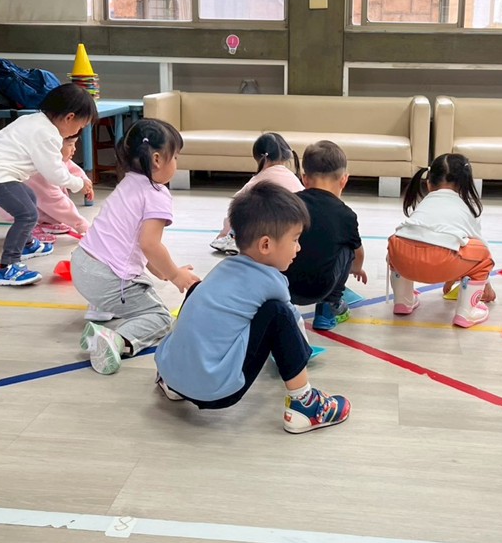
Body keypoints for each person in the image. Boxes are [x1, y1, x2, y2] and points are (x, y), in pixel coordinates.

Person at [154, 182, 351, 434]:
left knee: (197, 291)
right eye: (295, 239)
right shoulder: (272, 282)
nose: (298, 248)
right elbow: (292, 326)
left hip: (172, 375)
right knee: (278, 313)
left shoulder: (222, 268)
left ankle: (174, 381)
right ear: (266, 245)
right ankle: (305, 403)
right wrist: (300, 354)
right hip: (216, 392)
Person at [72, 119, 200, 374]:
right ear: (157, 159)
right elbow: (149, 244)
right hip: (106, 279)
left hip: (82, 265)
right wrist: (175, 275)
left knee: (139, 286)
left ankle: (98, 321)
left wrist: (164, 271)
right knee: (160, 317)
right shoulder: (156, 193)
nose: (176, 163)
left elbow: (137, 242)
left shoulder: (128, 181)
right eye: (175, 157)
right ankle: (114, 340)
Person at [0, 83, 96, 286]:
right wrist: (78, 184)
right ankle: (7, 267)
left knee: (30, 197)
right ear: (69, 117)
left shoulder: (32, 120)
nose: (79, 131)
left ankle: (27, 243)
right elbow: (54, 174)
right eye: (80, 126)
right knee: (27, 214)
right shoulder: (48, 135)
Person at [387, 153, 494, 328]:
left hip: (402, 259)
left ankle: (403, 301)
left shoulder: (425, 203)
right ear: (465, 184)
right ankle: (466, 312)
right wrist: (486, 283)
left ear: (428, 183)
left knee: (399, 242)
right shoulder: (467, 207)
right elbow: (480, 250)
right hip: (441, 262)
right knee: (482, 252)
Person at [282, 141, 366, 330]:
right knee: (348, 248)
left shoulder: (289, 204)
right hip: (320, 289)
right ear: (344, 180)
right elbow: (358, 253)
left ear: (304, 179)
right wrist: (357, 268)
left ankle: (281, 306)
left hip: (283, 287)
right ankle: (329, 308)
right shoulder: (346, 215)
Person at [210, 132, 303, 255]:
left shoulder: (258, 180)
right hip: (293, 229)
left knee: (239, 214)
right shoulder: (294, 179)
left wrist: (225, 231)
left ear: (258, 158)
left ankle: (232, 238)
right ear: (286, 156)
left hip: (266, 229)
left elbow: (235, 206)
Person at [0, 133, 91, 242]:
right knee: (40, 206)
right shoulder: (39, 170)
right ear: (54, 147)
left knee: (41, 202)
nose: (74, 149)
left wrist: (85, 181)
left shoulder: (51, 158)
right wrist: (81, 224)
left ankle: (46, 223)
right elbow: (56, 201)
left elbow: (70, 167)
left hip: (31, 200)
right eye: (70, 145)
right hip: (13, 206)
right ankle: (29, 230)